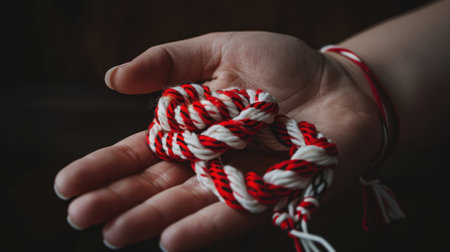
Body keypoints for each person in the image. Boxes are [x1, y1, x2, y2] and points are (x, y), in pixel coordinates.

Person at [54, 1, 450, 251]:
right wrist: (352, 78)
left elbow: (260, 115)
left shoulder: (238, 114)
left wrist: (348, 84)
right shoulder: (196, 119)